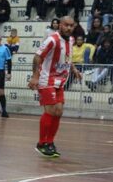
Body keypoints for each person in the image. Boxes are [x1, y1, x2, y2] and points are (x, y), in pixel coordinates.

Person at [28, 16, 82, 158]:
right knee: (51, 110)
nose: (69, 28)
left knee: (59, 112)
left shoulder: (71, 40)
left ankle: (50, 142)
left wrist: (75, 70)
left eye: (71, 25)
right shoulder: (52, 39)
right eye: (66, 25)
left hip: (61, 80)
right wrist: (35, 76)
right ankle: (41, 143)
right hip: (47, 79)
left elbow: (68, 59)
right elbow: (37, 57)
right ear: (60, 25)